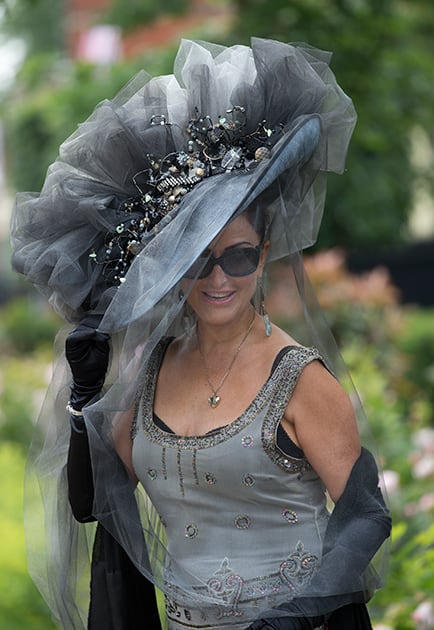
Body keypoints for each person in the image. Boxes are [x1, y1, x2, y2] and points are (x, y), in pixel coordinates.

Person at [10, 38, 391, 630]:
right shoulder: (149, 372)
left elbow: (366, 515)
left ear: (263, 256)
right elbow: (92, 505)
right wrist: (84, 399)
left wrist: (296, 614)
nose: (217, 278)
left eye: (237, 257)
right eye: (195, 260)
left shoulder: (301, 378)